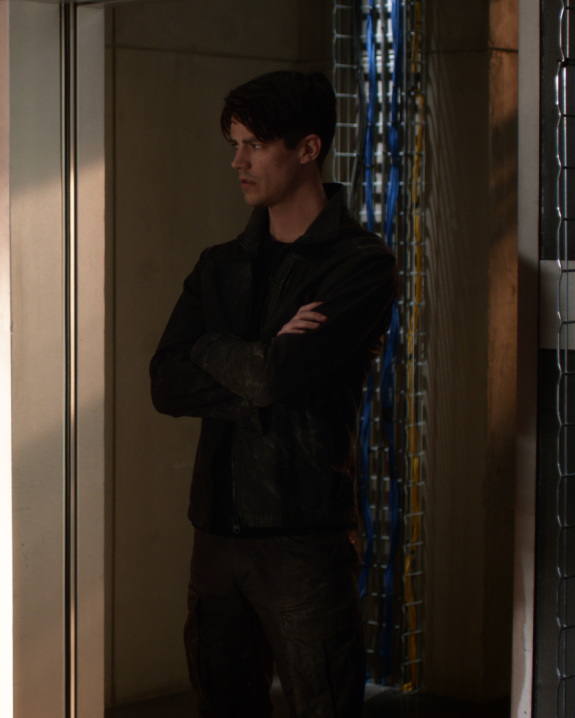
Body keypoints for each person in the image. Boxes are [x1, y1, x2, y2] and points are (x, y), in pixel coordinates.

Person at [149, 70, 397, 717]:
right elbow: (166, 381)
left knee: (324, 702)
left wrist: (216, 350)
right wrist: (257, 357)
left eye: (255, 145)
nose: (239, 162)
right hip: (216, 532)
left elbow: (273, 379)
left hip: (303, 534)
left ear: (308, 148)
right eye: (236, 145)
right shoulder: (220, 265)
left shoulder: (360, 263)